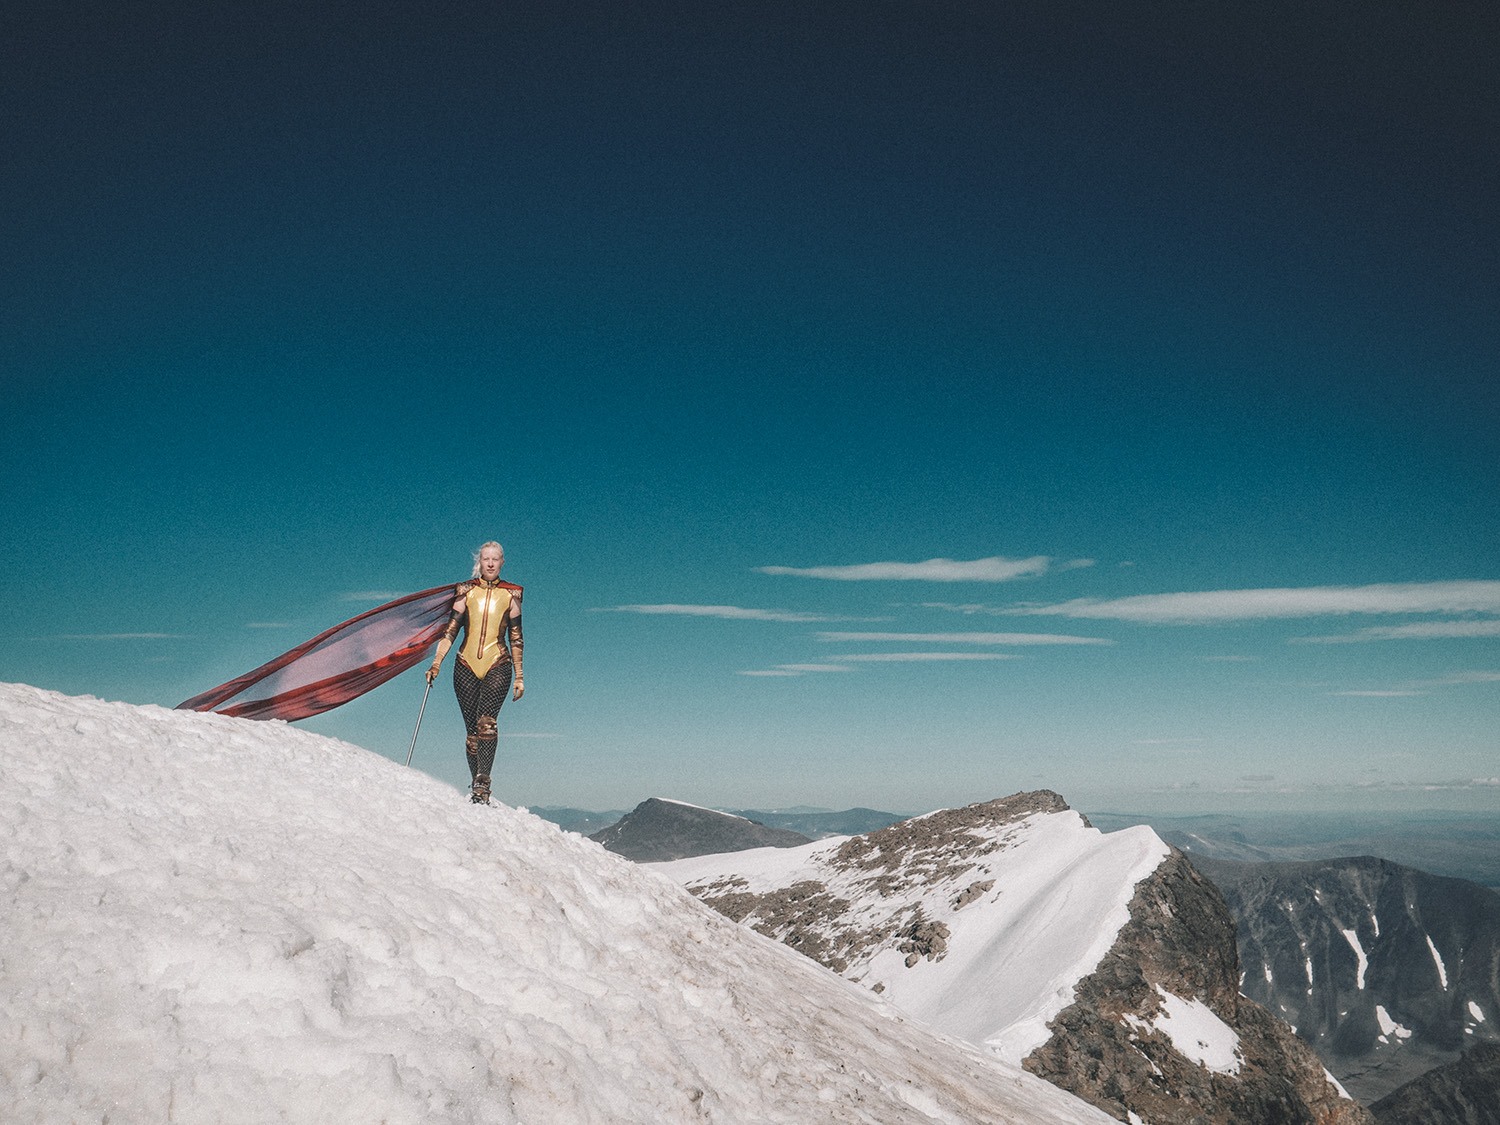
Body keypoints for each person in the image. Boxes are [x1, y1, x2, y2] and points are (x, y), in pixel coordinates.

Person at [425, 542, 524, 804]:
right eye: (485, 559)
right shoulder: (465, 593)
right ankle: (476, 784)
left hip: (498, 663)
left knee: (486, 724)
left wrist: (520, 675)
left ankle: (483, 783)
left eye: (495, 559)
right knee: (472, 732)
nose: (490, 563)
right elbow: (451, 631)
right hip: (465, 665)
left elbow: (516, 638)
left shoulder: (511, 595)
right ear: (479, 562)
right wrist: (437, 663)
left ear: (503, 562)